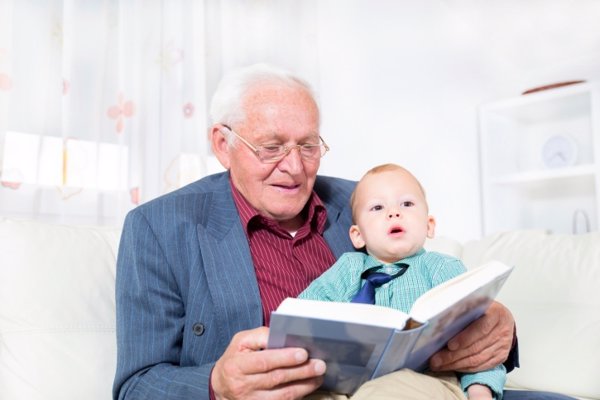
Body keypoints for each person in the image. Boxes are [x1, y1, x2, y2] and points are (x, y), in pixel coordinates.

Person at [113, 63, 574, 400]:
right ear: (222, 144)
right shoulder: (158, 227)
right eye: (271, 147)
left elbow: (435, 288)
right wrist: (216, 383)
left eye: (309, 146)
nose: (293, 168)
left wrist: (497, 327)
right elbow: (136, 385)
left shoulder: (366, 200)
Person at [298, 163, 504, 400]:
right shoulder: (347, 269)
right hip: (346, 383)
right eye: (377, 207)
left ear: (429, 225)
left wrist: (481, 388)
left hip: (427, 381)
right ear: (358, 235)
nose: (394, 213)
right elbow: (305, 313)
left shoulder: (443, 269)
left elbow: (480, 338)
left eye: (406, 204)